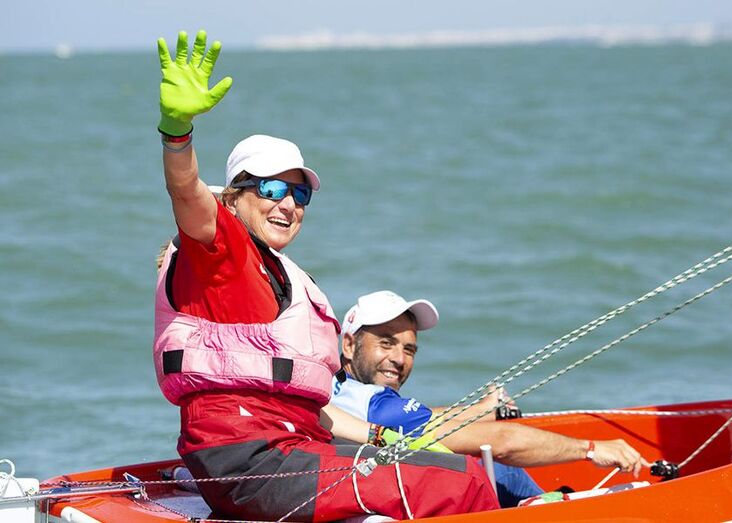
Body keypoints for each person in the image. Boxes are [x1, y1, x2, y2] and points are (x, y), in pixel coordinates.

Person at [152, 30, 499, 521]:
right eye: (272, 189)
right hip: (257, 463)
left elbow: (309, 407)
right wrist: (178, 133)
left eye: (301, 195)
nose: (289, 204)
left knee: (443, 468)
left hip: (283, 450)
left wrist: (383, 437)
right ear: (234, 197)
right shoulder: (220, 251)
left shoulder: (276, 271)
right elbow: (188, 196)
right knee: (463, 483)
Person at [331, 290, 651, 506]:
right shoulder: (380, 407)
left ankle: (546, 501)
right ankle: (551, 506)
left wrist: (482, 411)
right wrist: (591, 448)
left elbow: (425, 418)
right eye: (386, 343)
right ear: (349, 345)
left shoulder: (339, 388)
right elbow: (503, 442)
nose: (400, 359)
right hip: (437, 501)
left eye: (409, 349)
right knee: (489, 460)